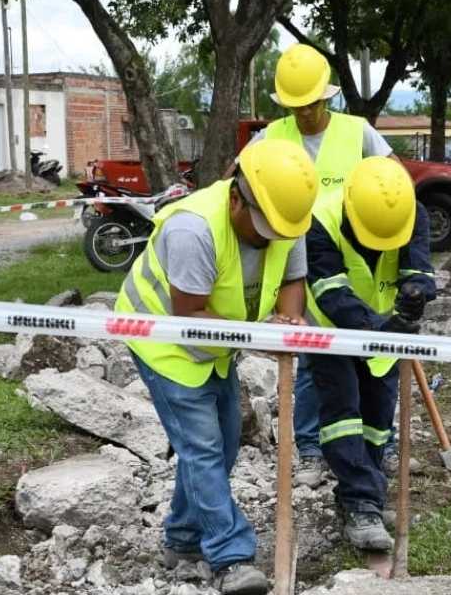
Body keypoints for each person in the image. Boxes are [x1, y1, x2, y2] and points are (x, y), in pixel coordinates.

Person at [115, 139, 318, 595]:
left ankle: (183, 539)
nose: (270, 237)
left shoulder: (286, 215)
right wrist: (262, 336)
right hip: (164, 337)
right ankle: (231, 556)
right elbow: (188, 315)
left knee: (224, 442)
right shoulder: (194, 230)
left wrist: (288, 319)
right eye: (262, 227)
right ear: (234, 197)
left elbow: (292, 278)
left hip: (221, 342)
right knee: (202, 446)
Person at [244, 42, 401, 488]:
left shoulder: (359, 133)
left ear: (326, 96)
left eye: (310, 104)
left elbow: (395, 186)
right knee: (314, 361)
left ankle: (379, 446)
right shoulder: (272, 137)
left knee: (375, 360)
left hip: (354, 267)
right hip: (297, 267)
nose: (304, 114)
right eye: (295, 106)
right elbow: (237, 187)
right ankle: (311, 448)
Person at [303, 156, 435, 550]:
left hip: (385, 333)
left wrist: (415, 295)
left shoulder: (410, 212)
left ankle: (365, 496)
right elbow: (332, 293)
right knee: (343, 414)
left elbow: (419, 269)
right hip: (332, 333)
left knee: (378, 417)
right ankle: (361, 502)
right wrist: (383, 328)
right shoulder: (322, 220)